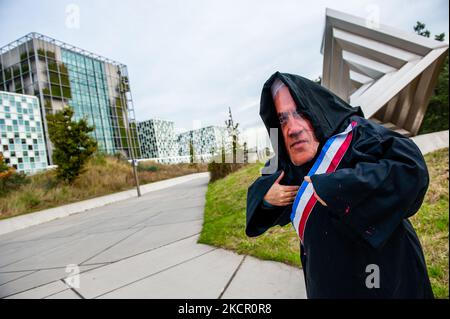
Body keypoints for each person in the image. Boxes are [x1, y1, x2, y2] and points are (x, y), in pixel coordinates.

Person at [246, 71, 434, 299]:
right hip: (327, 280)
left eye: (299, 113)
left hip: (384, 273)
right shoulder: (290, 158)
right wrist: (267, 198)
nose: (292, 128)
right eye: (283, 118)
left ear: (314, 108)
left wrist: (339, 187)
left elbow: (410, 168)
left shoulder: (356, 134)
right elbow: (262, 185)